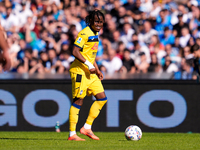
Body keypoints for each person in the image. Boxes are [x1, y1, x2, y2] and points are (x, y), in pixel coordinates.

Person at [68, 10, 107, 141]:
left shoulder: (96, 34)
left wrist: (97, 68)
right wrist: (89, 66)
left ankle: (87, 127)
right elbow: (75, 51)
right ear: (90, 21)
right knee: (78, 101)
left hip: (90, 72)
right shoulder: (84, 33)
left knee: (102, 99)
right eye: (96, 21)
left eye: (101, 22)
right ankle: (72, 134)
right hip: (79, 71)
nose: (99, 24)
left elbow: (90, 55)